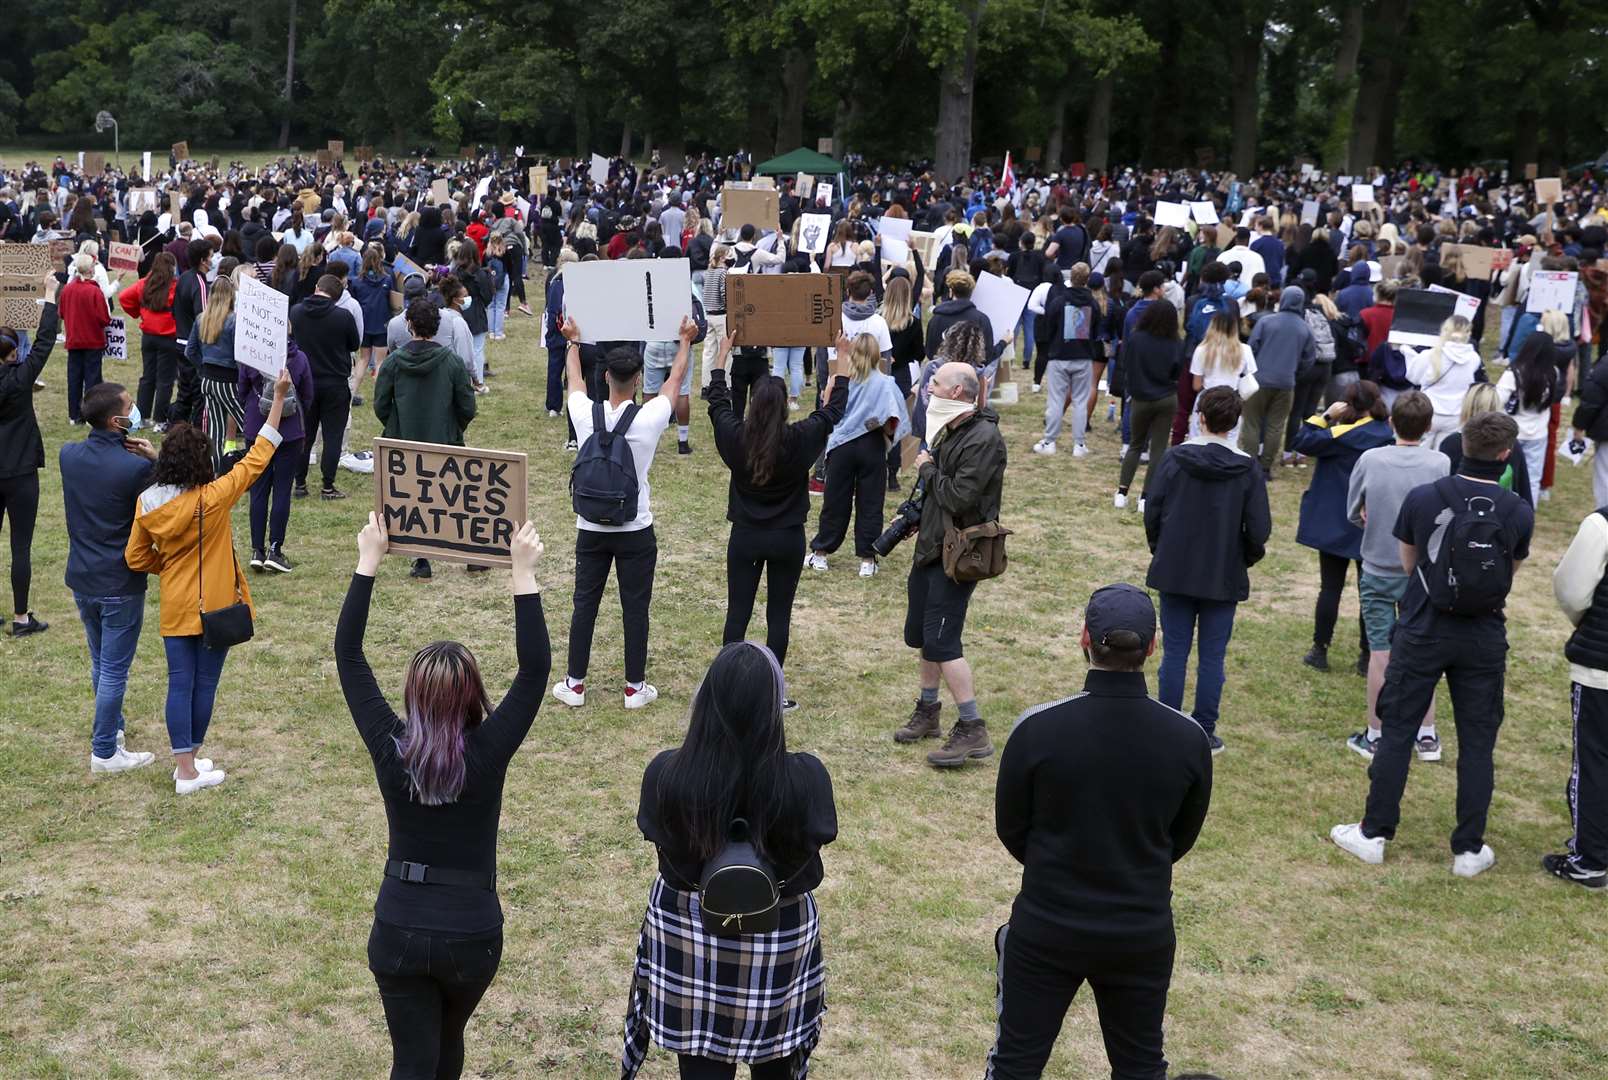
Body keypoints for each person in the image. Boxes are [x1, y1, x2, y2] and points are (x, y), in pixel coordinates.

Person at [337, 513, 549, 1080]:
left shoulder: (392, 748)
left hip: (400, 927)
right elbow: (534, 674)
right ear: (474, 695)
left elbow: (349, 657)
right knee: (445, 1043)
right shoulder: (488, 751)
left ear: (412, 696)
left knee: (414, 1059)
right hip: (473, 933)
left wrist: (368, 563)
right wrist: (521, 575)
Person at [990, 583, 1212, 1080]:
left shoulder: (1037, 729)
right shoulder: (1188, 738)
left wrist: (1058, 863)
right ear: (1153, 648)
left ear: (1084, 639)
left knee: (1016, 1064)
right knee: (1139, 1067)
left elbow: (1012, 828)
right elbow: (1180, 837)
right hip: (1140, 930)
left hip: (1047, 925)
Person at [1331, 412, 1534, 877]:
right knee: (1478, 741)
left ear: (1458, 446)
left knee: (1398, 728)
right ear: (1506, 455)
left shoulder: (1425, 499)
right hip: (1483, 633)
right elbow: (1511, 571)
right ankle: (1468, 848)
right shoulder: (1518, 510)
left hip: (1424, 626)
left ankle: (1374, 832)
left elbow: (1409, 560)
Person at [622, 642, 837, 1080]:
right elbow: (812, 857)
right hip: (779, 939)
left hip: (688, 934)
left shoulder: (666, 775)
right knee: (777, 1066)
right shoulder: (806, 779)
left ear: (706, 700)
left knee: (700, 1069)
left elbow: (669, 857)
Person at [125, 367, 294, 795]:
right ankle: (187, 770)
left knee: (180, 682)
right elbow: (259, 453)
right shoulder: (214, 497)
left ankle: (186, 762)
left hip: (176, 605)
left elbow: (136, 556)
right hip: (217, 605)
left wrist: (169, 570)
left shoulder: (148, 502)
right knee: (205, 684)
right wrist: (278, 398)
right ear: (203, 463)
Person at [551, 314, 696, 711]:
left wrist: (573, 343)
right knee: (636, 607)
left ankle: (575, 684)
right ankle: (634, 687)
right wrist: (684, 342)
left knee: (585, 604)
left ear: (606, 379)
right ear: (636, 382)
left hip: (591, 526)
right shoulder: (649, 419)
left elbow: (574, 382)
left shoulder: (584, 415)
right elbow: (673, 383)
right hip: (635, 527)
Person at [708, 333, 849, 688]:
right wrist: (841, 361)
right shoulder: (800, 438)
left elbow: (718, 402)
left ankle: (727, 685)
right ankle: (774, 687)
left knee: (737, 613)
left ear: (753, 405)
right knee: (779, 616)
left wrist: (723, 355)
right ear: (786, 406)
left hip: (746, 536)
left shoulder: (737, 438)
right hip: (787, 537)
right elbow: (833, 411)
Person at [1144, 387, 1272, 754]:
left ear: (1201, 417)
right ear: (1235, 423)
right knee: (1211, 656)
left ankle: (1172, 724)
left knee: (1176, 651)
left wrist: (1162, 549)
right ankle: (1203, 728)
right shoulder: (1244, 468)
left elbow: (1153, 509)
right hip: (1219, 572)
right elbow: (1259, 529)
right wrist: (1242, 558)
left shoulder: (1178, 459)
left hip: (1181, 568)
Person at [893, 361, 1006, 767]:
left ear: (957, 392)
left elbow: (958, 497)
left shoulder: (983, 439)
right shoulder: (952, 430)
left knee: (943, 642)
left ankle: (973, 727)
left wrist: (926, 467)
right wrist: (911, 517)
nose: (928, 389)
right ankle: (928, 711)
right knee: (924, 635)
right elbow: (935, 493)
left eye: (934, 384)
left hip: (959, 556)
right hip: (931, 546)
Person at [59, 381, 159, 772]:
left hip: (83, 576)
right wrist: (154, 459)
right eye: (131, 407)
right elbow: (169, 493)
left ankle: (112, 730)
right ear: (118, 420)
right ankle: (104, 750)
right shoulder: (135, 469)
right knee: (114, 668)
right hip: (119, 581)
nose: (135, 411)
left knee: (101, 661)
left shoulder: (70, 455)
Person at [1343, 390, 1449, 759]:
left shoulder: (1371, 460)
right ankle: (1427, 735)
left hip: (1377, 566)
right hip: (1422, 569)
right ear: (1429, 425)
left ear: (1391, 422)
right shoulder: (1439, 464)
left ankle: (1376, 734)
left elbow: (1352, 511)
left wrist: (1369, 522)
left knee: (1381, 653)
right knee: (1422, 651)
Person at [1289, 381, 1395, 675]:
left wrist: (1325, 417)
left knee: (1330, 588)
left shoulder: (1337, 434)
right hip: (1369, 522)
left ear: (1348, 404)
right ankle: (1366, 655)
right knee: (1369, 592)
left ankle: (1319, 650)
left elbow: (1301, 440)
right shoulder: (1386, 435)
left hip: (1335, 523)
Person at [373, 299, 480, 580]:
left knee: (414, 498)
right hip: (444, 440)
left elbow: (381, 404)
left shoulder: (394, 362)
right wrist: (453, 428)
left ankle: (422, 559)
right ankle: (469, 554)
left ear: (409, 326)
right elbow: (467, 406)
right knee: (456, 498)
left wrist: (396, 426)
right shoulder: (453, 363)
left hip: (405, 441)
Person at [805, 334, 909, 578]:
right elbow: (895, 420)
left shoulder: (839, 379)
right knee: (871, 503)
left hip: (841, 447)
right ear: (876, 355)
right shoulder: (887, 383)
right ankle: (867, 559)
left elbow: (828, 409)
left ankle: (820, 554)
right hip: (871, 447)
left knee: (835, 502)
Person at [1549, 509, 1608, 890]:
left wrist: (1587, 624)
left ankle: (1591, 859)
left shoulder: (1602, 524)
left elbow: (1572, 589)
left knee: (1595, 759)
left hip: (1602, 671)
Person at [0, 280, 60, 638]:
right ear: (13, 355)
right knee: (20, 546)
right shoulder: (21, 379)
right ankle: (21, 617)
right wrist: (49, 299)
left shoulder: (17, 374)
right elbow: (45, 341)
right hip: (20, 470)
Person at [240, 337, 316, 574]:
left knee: (258, 491)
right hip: (290, 432)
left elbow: (241, 390)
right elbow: (308, 395)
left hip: (257, 428)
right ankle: (275, 549)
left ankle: (256, 550)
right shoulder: (299, 358)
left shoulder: (249, 356)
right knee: (283, 490)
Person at [290, 273, 362, 501]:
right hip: (335, 382)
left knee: (304, 434)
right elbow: (354, 344)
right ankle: (327, 487)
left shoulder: (296, 312)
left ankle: (299, 483)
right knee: (333, 436)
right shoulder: (343, 316)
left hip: (305, 382)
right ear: (337, 296)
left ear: (316, 287)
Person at [1239, 285, 1317, 476]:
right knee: (1276, 425)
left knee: (1251, 422)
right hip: (1286, 383)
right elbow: (1309, 360)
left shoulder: (1266, 322)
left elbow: (1252, 348)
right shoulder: (1305, 329)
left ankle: (1250, 462)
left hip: (1259, 380)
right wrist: (1294, 373)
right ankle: (1265, 466)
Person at [1114, 299, 1182, 509]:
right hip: (1166, 398)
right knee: (1158, 450)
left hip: (1141, 398)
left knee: (1135, 445)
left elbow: (1125, 364)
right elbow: (1176, 372)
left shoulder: (1135, 338)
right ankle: (1145, 497)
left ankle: (1122, 493)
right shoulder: (1176, 343)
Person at [185, 275, 249, 474]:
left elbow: (190, 351)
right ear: (231, 296)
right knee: (251, 424)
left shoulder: (201, 318)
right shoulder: (234, 321)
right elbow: (241, 356)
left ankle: (212, 472)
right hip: (229, 381)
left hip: (208, 380)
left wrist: (203, 368)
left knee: (214, 431)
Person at [1032, 262, 1097, 457]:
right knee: (1080, 401)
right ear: (1087, 280)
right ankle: (1079, 445)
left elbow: (1049, 325)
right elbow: (1095, 328)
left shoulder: (1059, 301)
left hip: (1059, 355)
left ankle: (1049, 441)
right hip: (1083, 356)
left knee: (1055, 400)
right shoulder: (1092, 303)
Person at [1495, 332, 1561, 505]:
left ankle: (1503, 506)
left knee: (1505, 472)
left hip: (1511, 432)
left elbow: (1496, 400)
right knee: (1532, 476)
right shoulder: (1553, 373)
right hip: (1538, 433)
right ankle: (1528, 510)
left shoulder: (1513, 373)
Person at [120, 251, 183, 431]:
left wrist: (139, 312)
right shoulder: (174, 287)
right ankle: (160, 420)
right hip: (169, 338)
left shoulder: (144, 284)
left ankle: (141, 418)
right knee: (165, 380)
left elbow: (124, 297)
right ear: (172, 267)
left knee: (147, 377)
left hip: (148, 337)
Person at [1404, 315, 1481, 452]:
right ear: (1468, 333)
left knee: (1419, 452)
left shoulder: (1430, 355)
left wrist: (1406, 351)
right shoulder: (1474, 358)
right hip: (1456, 415)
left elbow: (1413, 376)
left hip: (1429, 412)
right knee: (1444, 454)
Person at [60, 252, 112, 425]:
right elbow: (104, 318)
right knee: (92, 378)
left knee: (74, 378)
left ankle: (74, 415)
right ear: (91, 269)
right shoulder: (94, 291)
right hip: (92, 340)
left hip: (74, 339)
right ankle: (91, 415)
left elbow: (61, 313)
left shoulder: (67, 289)